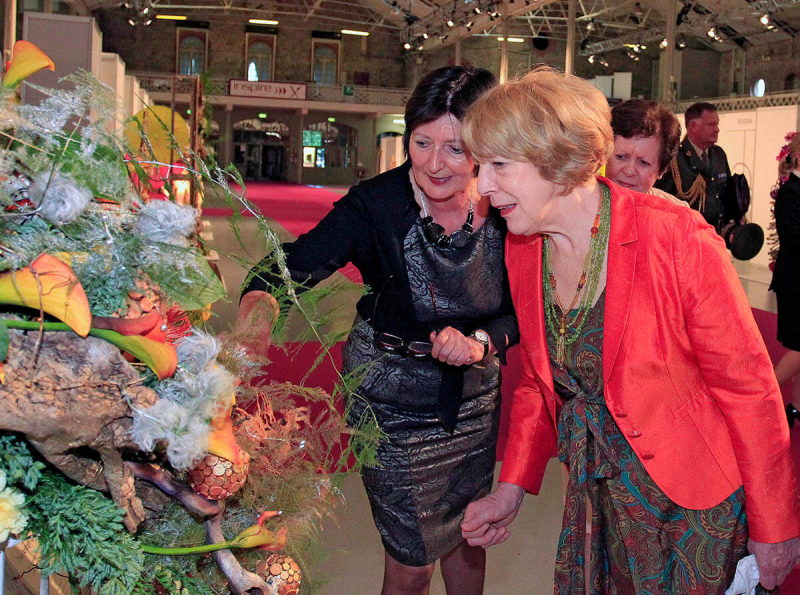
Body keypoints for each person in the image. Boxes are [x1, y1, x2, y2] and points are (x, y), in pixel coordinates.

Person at [459, 66, 800, 594]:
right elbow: (538, 382)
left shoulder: (676, 238)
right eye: (481, 166)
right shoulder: (524, 246)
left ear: (559, 158)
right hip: (596, 500)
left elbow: (750, 389)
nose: (481, 186)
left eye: (499, 165)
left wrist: (776, 527)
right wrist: (511, 489)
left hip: (693, 505)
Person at [239, 66, 518, 595]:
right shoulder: (376, 205)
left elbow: (518, 312)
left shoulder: (506, 206)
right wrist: (257, 318)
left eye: (456, 149)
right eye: (422, 143)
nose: (436, 165)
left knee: (468, 538)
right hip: (389, 401)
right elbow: (288, 268)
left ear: (485, 145)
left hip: (472, 402)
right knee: (411, 564)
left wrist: (481, 343)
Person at [656, 101, 731, 228]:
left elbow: (727, 193)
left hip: (715, 235)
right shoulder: (675, 158)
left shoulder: (719, 155)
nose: (717, 129)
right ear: (693, 126)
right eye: (711, 124)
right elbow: (660, 200)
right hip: (686, 233)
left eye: (717, 124)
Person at [605, 98, 686, 205]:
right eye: (621, 157)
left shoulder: (678, 215)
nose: (629, 171)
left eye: (644, 162)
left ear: (661, 171)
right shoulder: (579, 204)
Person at [771, 132, 800, 425]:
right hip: (794, 281)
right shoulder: (791, 193)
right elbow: (794, 239)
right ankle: (762, 393)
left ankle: (795, 408)